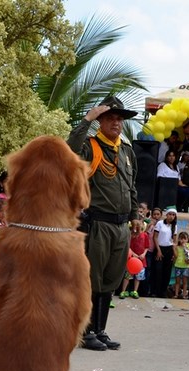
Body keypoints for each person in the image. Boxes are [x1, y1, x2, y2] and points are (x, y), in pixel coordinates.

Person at [67, 95, 138, 351]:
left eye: (119, 119)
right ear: (100, 121)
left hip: (121, 226)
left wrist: (135, 216)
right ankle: (85, 333)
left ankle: (100, 329)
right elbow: (69, 150)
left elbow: (131, 186)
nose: (116, 123)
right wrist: (87, 119)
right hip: (98, 223)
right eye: (110, 118)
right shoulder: (90, 146)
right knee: (92, 279)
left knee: (110, 280)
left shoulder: (127, 151)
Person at [150, 206, 176, 299]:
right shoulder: (160, 223)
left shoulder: (174, 226)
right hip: (159, 248)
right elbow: (155, 237)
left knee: (167, 272)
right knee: (157, 270)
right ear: (166, 215)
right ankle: (154, 291)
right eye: (170, 214)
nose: (171, 217)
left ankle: (163, 291)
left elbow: (174, 242)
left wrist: (174, 253)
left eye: (173, 215)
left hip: (169, 249)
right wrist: (159, 251)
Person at [119, 219, 148, 299]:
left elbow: (146, 247)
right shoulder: (129, 235)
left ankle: (135, 291)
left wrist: (143, 254)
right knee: (128, 275)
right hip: (131, 259)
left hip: (141, 259)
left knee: (138, 277)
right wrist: (133, 254)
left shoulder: (145, 235)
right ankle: (123, 291)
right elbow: (127, 246)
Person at [172, 230, 189, 299]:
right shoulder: (177, 247)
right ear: (179, 239)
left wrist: (184, 247)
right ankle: (176, 294)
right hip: (178, 265)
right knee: (177, 282)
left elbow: (188, 256)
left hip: (185, 266)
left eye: (184, 239)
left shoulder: (188, 245)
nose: (183, 240)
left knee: (185, 282)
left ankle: (184, 294)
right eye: (181, 239)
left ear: (187, 239)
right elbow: (176, 256)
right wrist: (174, 248)